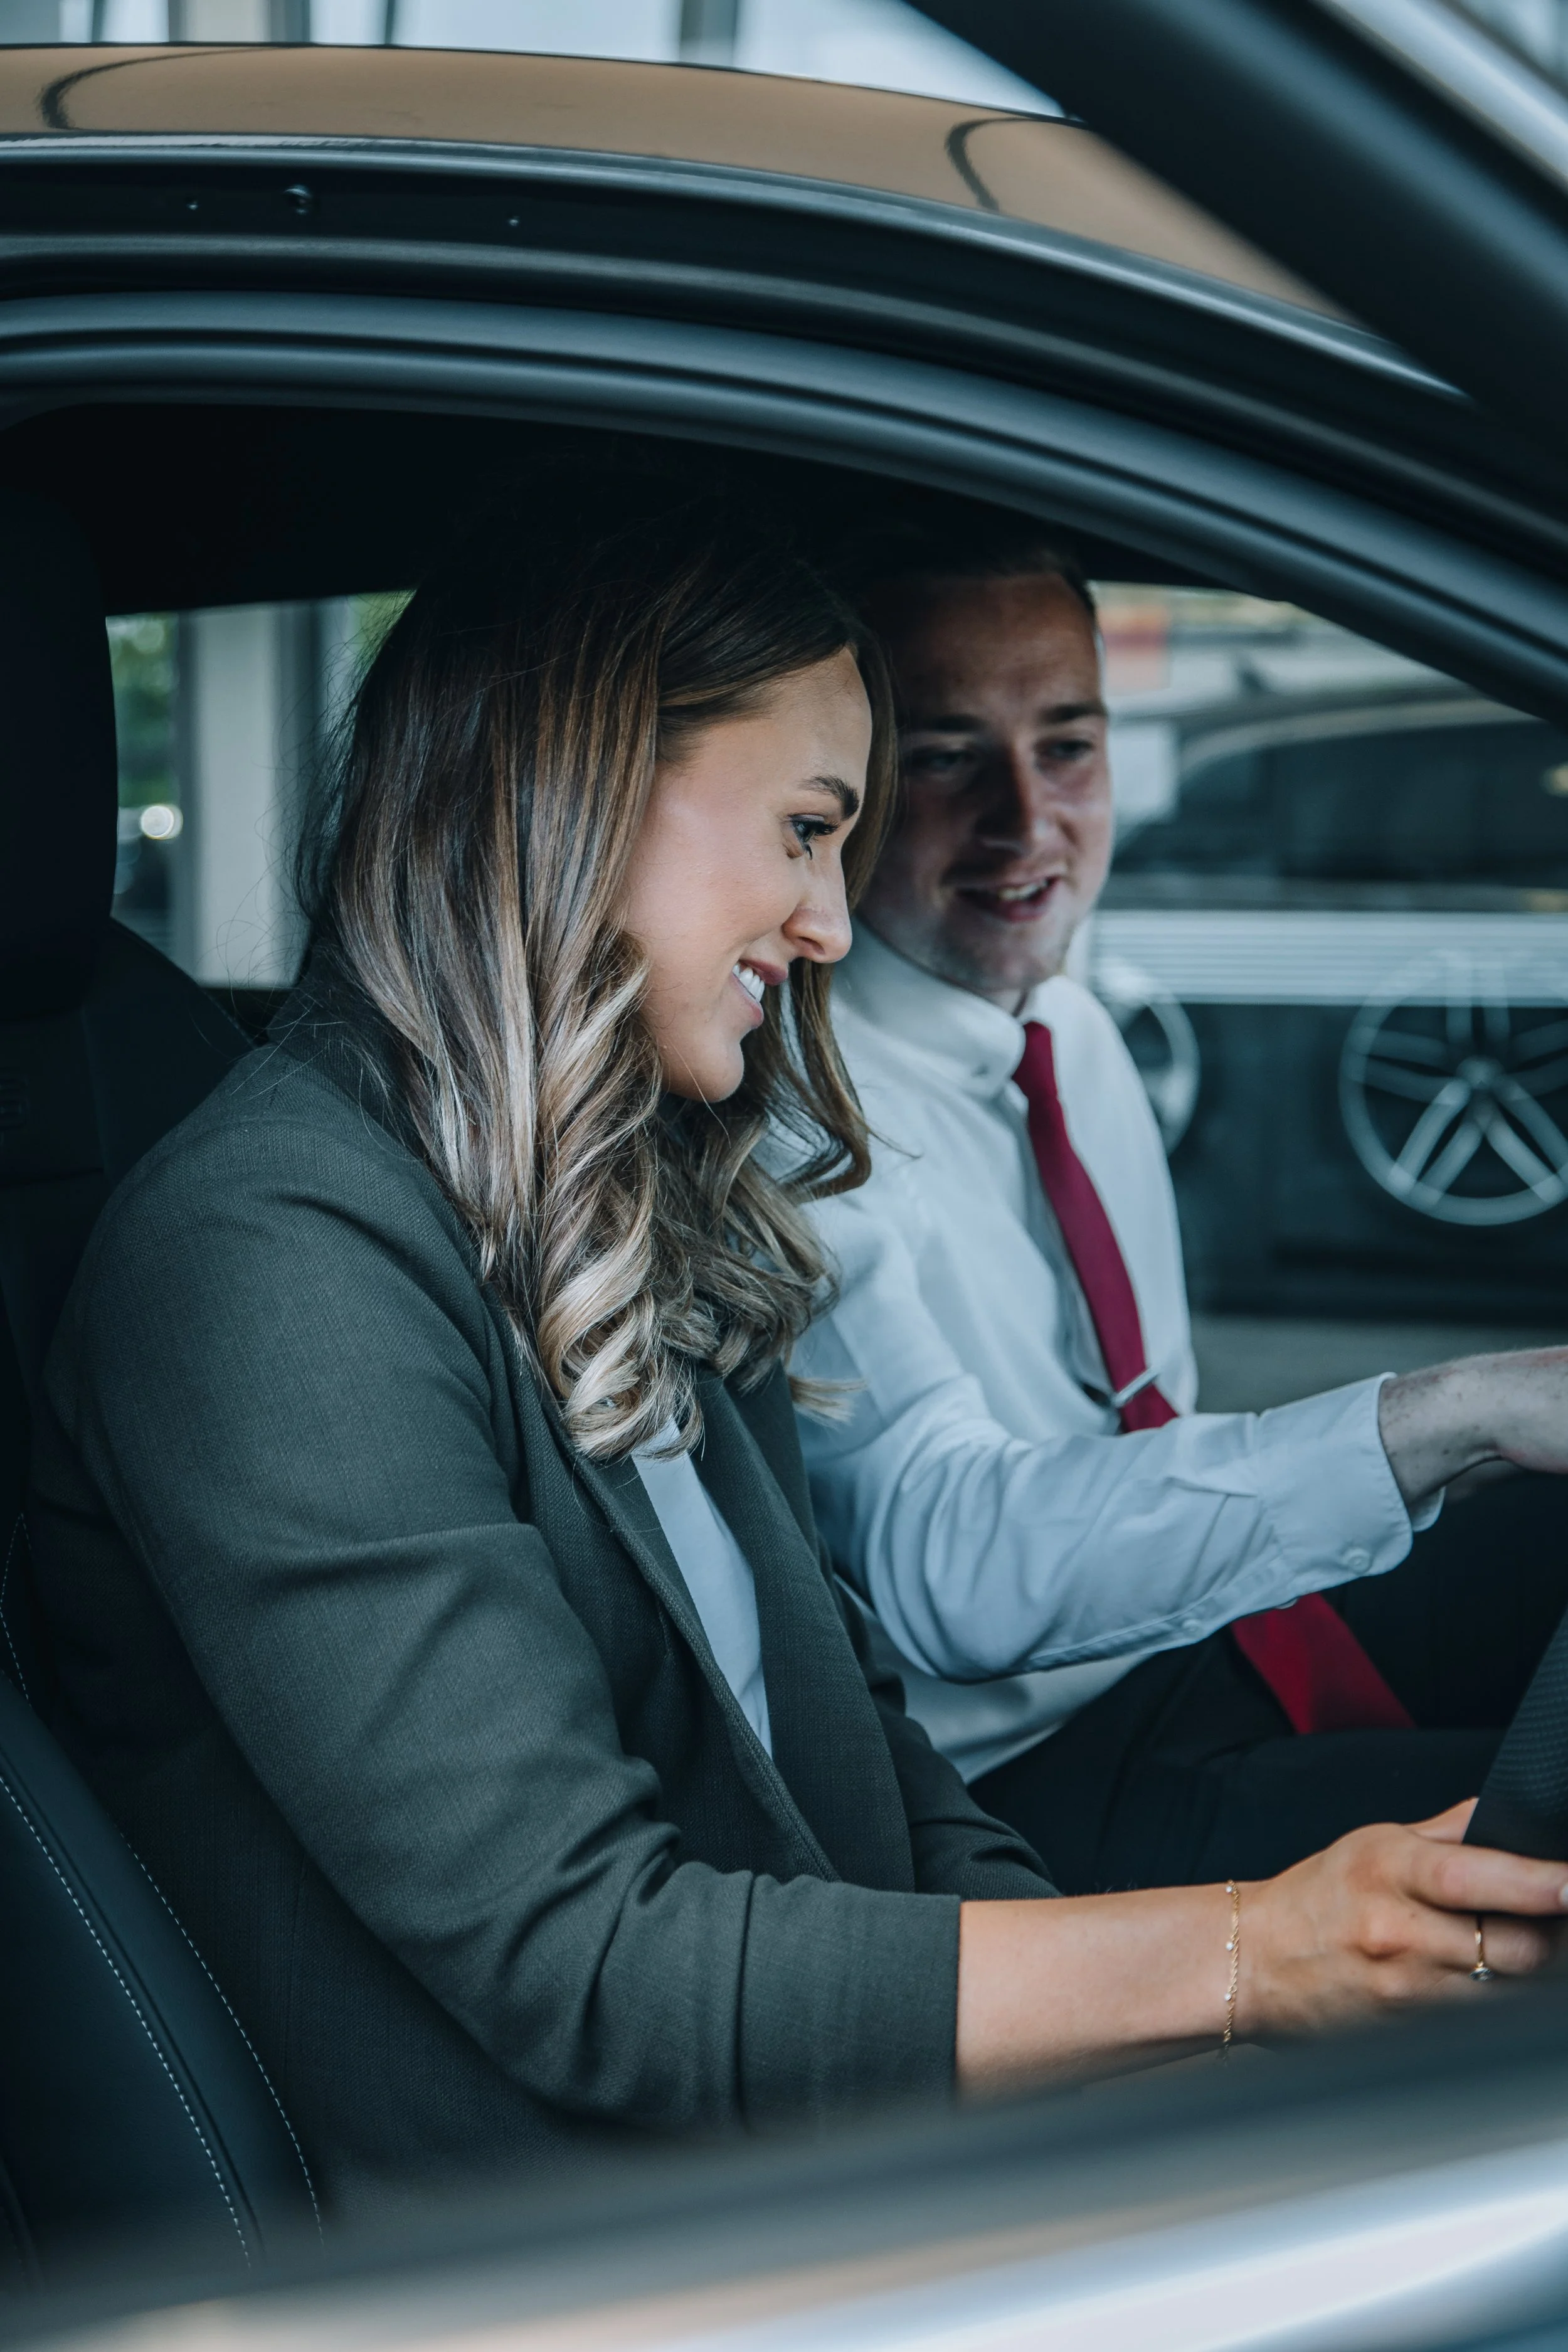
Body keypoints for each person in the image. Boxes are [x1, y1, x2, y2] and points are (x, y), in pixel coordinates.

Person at [26, 495, 1568, 2215]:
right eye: (804, 829)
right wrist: (1235, 1958)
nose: (830, 921)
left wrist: (1121, 2036)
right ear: (580, 794)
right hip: (571, 2241)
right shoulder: (271, 1253)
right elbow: (590, 1961)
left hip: (817, 2128)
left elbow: (873, 1750)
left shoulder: (633, 1186)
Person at [794, 512, 1568, 1894]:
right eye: (943, 754)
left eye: (1067, 745)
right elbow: (942, 1569)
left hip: (1189, 1638)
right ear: (840, 783)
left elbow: (1151, 1440)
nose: (1025, 822)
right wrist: (1452, 1411)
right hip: (1011, 1783)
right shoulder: (797, 1110)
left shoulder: (1068, 1035)